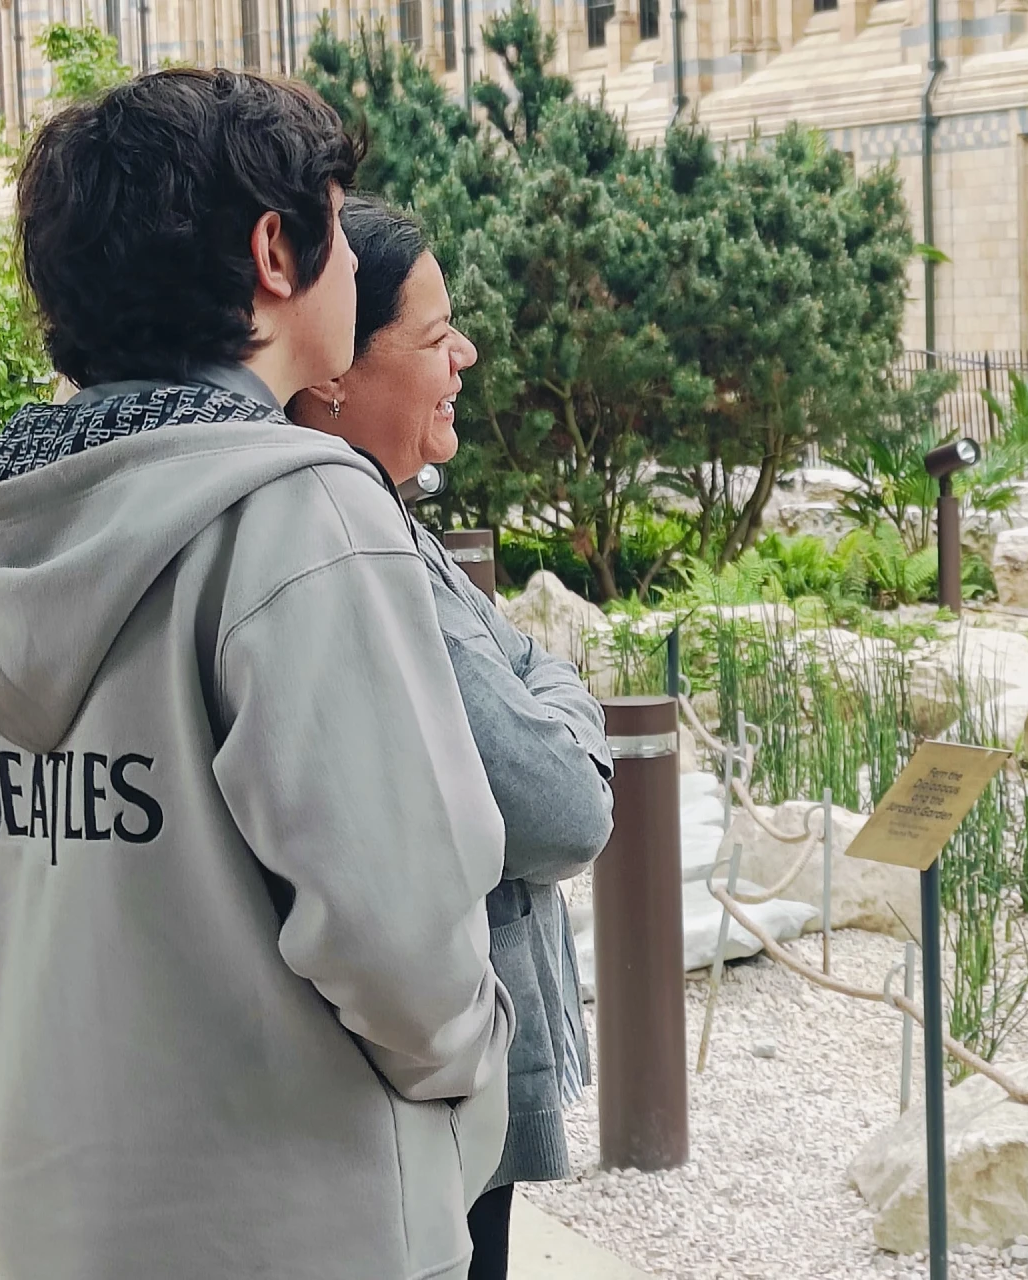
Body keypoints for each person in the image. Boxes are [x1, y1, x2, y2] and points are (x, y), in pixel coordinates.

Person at [0, 70, 514, 1280]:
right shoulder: (298, 513)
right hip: (296, 1224)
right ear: (276, 249)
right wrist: (469, 1061)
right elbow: (403, 933)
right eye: (336, 211)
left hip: (51, 1214)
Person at [287, 196, 615, 1280]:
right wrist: (559, 695)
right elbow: (559, 804)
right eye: (434, 336)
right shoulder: (362, 550)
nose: (465, 354)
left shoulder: (390, 519)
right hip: (434, 1086)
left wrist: (542, 684)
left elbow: (529, 684)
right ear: (335, 366)